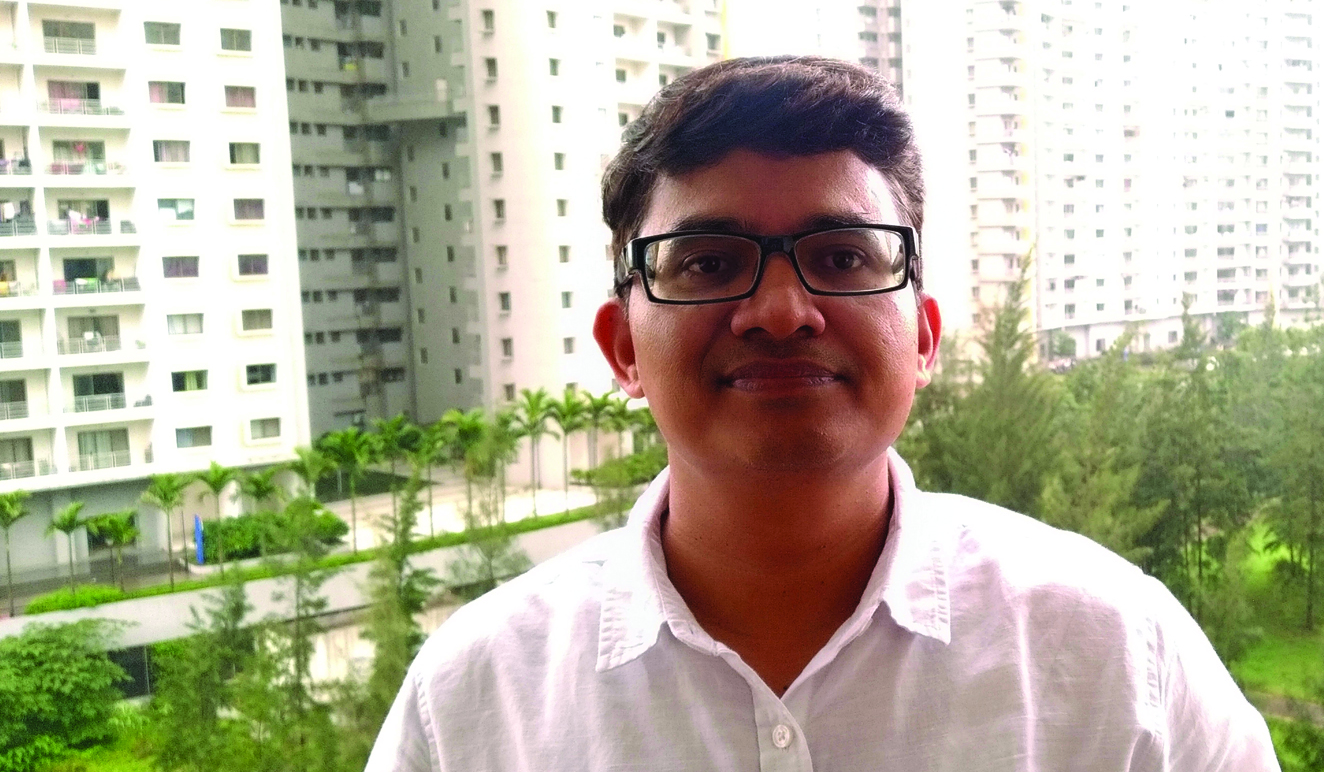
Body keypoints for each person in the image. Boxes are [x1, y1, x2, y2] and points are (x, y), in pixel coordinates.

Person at [367, 56, 1278, 771]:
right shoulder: (475, 699)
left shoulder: (1116, 654)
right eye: (708, 262)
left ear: (923, 338)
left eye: (842, 257)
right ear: (623, 349)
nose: (779, 311)